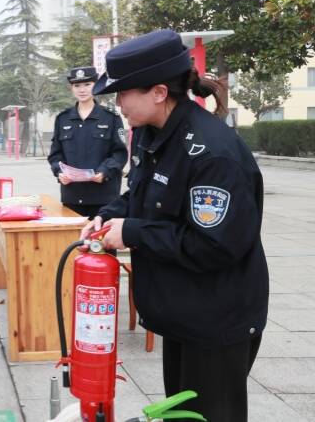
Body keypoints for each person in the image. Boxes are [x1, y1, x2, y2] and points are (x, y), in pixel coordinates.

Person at [80, 29, 269, 422]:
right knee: (180, 416)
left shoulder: (211, 153)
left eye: (123, 93)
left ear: (159, 92)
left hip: (216, 321)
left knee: (206, 417)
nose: (118, 105)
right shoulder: (152, 135)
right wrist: (108, 214)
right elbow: (140, 193)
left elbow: (214, 245)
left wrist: (132, 233)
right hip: (184, 313)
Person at [47, 66, 127, 218]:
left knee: (101, 234)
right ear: (71, 88)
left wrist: (104, 171)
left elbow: (119, 153)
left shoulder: (110, 117)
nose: (82, 90)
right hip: (72, 197)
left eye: (87, 84)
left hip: (103, 197)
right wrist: (59, 172)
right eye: (77, 85)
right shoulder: (62, 119)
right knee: (74, 234)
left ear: (95, 86)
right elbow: (55, 155)